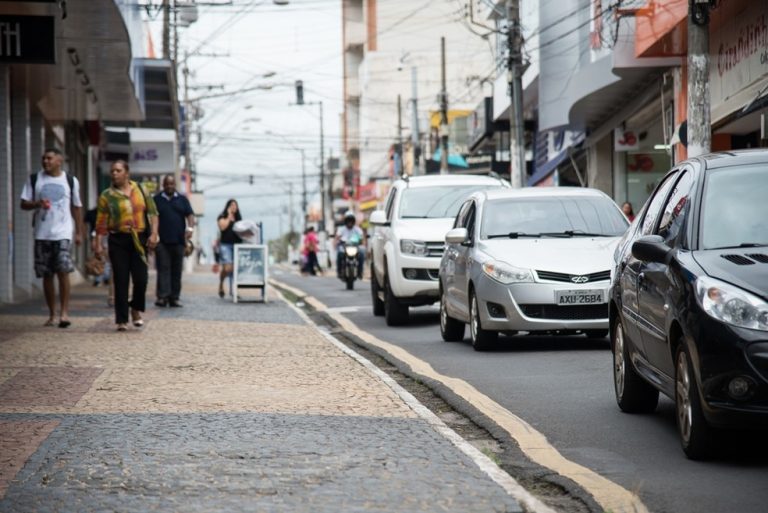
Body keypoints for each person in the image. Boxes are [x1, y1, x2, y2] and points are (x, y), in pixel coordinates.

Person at [19, 147, 84, 328]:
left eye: (49, 158)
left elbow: (76, 207)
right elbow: (23, 204)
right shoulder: (35, 179)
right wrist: (37, 203)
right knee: (46, 274)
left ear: (59, 160)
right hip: (42, 233)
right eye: (44, 159)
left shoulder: (70, 181)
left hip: (63, 233)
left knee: (63, 271)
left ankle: (64, 313)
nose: (46, 161)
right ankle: (52, 314)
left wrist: (79, 232)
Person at [93, 160, 159, 332]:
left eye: (118, 170)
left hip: (139, 238)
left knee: (141, 279)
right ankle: (121, 319)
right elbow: (100, 223)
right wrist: (98, 243)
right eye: (112, 171)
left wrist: (153, 234)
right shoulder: (107, 195)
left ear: (127, 173)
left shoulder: (141, 189)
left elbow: (153, 213)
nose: (114, 173)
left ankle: (135, 309)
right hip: (118, 240)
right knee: (121, 279)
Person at [153, 175, 195, 307]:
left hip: (179, 241)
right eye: (167, 184)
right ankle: (162, 297)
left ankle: (174, 297)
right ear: (163, 185)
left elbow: (190, 214)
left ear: (175, 185)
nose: (169, 186)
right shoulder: (157, 200)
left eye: (171, 184)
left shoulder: (182, 200)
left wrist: (190, 228)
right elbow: (152, 217)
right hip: (162, 242)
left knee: (176, 271)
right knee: (163, 269)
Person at [217, 199, 242, 298]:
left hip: (237, 246)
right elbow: (222, 227)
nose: (234, 207)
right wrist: (228, 216)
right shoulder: (222, 217)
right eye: (231, 205)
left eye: (235, 205)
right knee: (227, 268)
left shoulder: (239, 219)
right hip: (225, 245)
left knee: (235, 269)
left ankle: (234, 291)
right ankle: (221, 284)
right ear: (227, 207)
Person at [334, 212, 365, 279]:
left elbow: (361, 237)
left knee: (362, 254)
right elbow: (338, 237)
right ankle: (339, 271)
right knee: (339, 254)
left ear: (353, 221)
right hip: (344, 247)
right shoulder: (341, 229)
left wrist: (361, 240)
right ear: (346, 221)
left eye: (351, 221)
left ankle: (360, 272)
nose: (349, 222)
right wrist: (337, 240)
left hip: (355, 247)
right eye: (348, 221)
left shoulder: (357, 229)